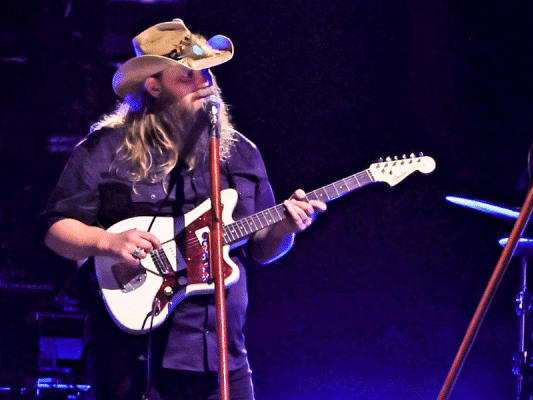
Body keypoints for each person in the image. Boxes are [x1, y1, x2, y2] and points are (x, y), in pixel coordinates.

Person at [40, 19, 326, 400]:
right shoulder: (107, 149)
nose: (204, 83)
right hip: (134, 356)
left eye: (207, 72)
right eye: (186, 77)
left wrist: (284, 228)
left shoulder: (241, 152)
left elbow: (261, 249)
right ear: (153, 87)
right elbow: (56, 230)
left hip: (223, 354)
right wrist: (107, 241)